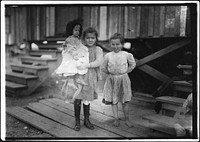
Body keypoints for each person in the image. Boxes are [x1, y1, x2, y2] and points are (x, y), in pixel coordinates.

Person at [63, 27, 103, 131]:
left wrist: (88, 65)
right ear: (84, 39)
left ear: (96, 39)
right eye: (88, 38)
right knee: (77, 97)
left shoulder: (97, 49)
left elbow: (99, 61)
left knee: (87, 99)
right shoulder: (80, 48)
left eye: (92, 38)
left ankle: (86, 119)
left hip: (90, 77)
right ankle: (77, 120)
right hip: (79, 76)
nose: (90, 40)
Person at [102, 33, 136, 127]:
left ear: (122, 44)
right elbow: (103, 67)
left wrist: (126, 72)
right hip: (112, 80)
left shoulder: (126, 54)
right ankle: (116, 119)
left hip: (123, 79)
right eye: (113, 44)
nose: (115, 46)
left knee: (125, 100)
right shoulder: (108, 56)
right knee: (114, 100)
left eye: (118, 44)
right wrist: (110, 73)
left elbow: (132, 64)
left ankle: (127, 119)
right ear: (110, 44)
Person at [55, 19, 89, 103]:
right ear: (71, 30)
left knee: (75, 75)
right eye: (75, 30)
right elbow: (71, 49)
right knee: (72, 78)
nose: (77, 32)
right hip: (72, 59)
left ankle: (72, 90)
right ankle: (68, 96)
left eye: (79, 30)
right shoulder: (70, 39)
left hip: (76, 58)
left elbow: (80, 47)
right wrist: (76, 56)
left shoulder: (77, 39)